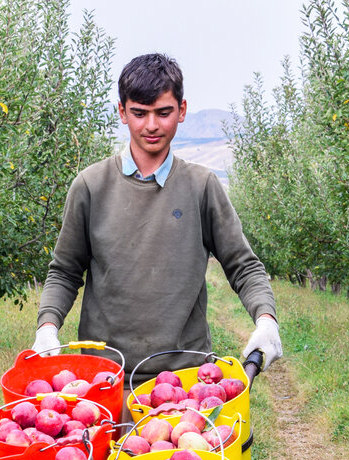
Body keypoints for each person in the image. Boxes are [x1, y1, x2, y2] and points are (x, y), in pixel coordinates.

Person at [33, 53, 281, 386]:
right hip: (103, 381)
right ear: (122, 112)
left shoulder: (201, 186)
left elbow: (243, 265)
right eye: (139, 113)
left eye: (163, 113)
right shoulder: (91, 186)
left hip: (185, 383)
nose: (151, 125)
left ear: (181, 110)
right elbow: (64, 271)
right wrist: (48, 327)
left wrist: (266, 320)